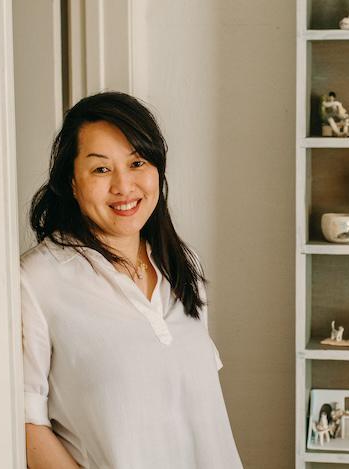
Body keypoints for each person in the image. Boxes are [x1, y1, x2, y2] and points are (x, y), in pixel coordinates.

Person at [21, 92, 243, 468]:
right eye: (101, 169)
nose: (124, 187)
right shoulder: (37, 279)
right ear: (72, 183)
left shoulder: (181, 264)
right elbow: (25, 422)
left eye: (137, 163)